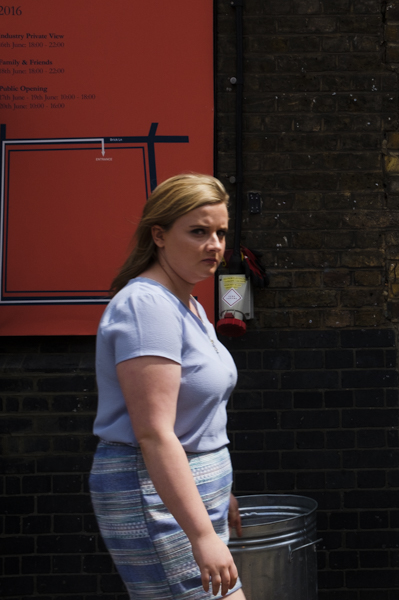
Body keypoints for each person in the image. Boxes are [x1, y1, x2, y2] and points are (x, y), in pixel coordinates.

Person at [89, 174, 246, 599]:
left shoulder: (189, 305)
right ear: (158, 235)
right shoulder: (146, 306)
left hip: (189, 498)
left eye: (220, 233)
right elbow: (155, 433)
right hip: (154, 498)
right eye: (198, 232)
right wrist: (202, 534)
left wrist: (220, 490)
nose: (214, 245)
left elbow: (193, 418)